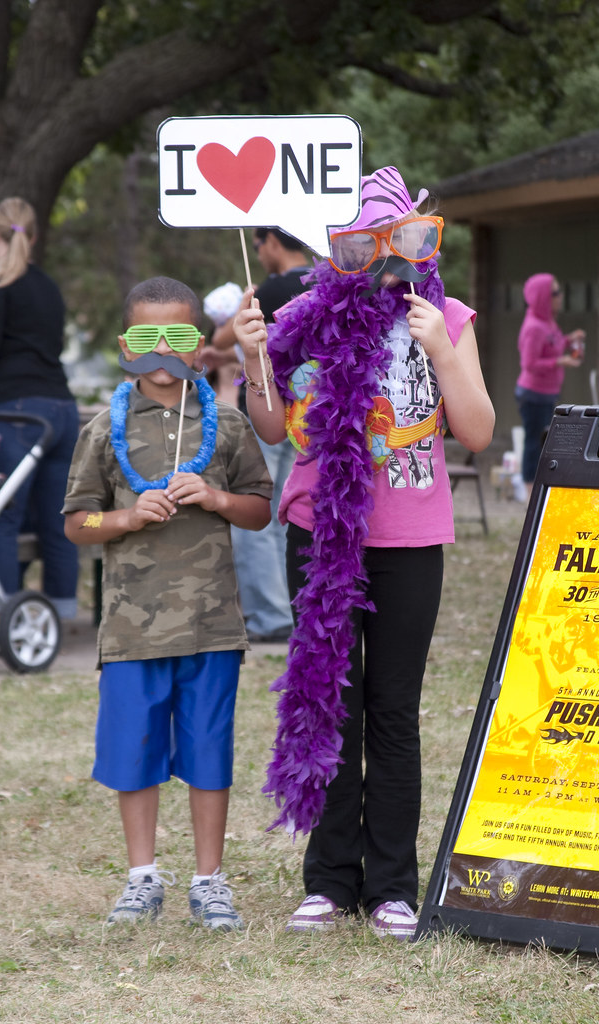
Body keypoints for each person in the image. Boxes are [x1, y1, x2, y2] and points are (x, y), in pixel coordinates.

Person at [233, 166, 495, 939]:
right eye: (362, 245)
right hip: (320, 532)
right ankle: (327, 880)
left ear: (418, 241)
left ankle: (391, 887)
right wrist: (255, 360)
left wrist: (442, 349)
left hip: (409, 539)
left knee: (392, 710)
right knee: (328, 701)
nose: (383, 259)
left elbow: (476, 431)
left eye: (399, 241)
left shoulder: (444, 314)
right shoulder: (307, 316)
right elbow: (276, 428)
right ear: (337, 251)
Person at [62, 276, 272, 930]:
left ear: (198, 348)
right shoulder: (104, 428)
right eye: (146, 337)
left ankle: (209, 880)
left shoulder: (227, 424)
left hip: (212, 625)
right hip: (132, 629)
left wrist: (214, 499)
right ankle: (141, 876)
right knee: (135, 750)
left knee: (210, 752)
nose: (160, 351)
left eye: (176, 337)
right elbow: (75, 523)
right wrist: (124, 519)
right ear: (127, 344)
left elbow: (261, 512)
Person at [0, 197, 80, 629]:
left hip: (19, 414)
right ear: (33, 235)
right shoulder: (47, 286)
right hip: (62, 410)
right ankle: (59, 615)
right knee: (59, 519)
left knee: (0, 517)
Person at [211, 228, 311, 642]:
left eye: (258, 245)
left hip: (268, 407)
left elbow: (225, 337)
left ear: (272, 242)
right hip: (311, 418)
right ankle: (291, 605)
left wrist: (241, 307)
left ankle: (270, 616)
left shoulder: (274, 288)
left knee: (255, 509)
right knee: (292, 511)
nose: (259, 253)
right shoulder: (323, 280)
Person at [515, 273, 585, 498]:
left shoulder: (547, 321)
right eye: (555, 293)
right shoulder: (534, 326)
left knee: (543, 442)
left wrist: (568, 339)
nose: (560, 296)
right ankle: (528, 492)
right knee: (535, 443)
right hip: (533, 395)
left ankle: (537, 490)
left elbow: (552, 343)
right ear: (543, 297)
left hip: (546, 394)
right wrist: (560, 361)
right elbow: (529, 363)